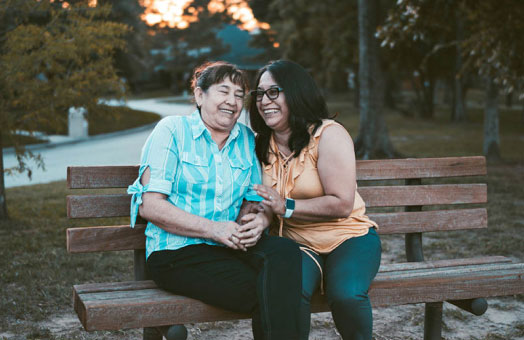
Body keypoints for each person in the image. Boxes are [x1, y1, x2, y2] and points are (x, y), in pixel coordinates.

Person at [127, 61, 302, 340]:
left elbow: (254, 199)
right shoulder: (172, 131)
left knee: (286, 252)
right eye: (223, 91)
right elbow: (150, 205)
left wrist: (258, 220)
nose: (232, 102)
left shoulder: (246, 139)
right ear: (199, 95)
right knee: (271, 291)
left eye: (238, 94)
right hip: (176, 253)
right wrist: (214, 229)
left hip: (227, 247)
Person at [249, 60, 382, 340]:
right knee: (283, 294)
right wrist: (257, 218)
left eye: (274, 92)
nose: (264, 101)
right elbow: (263, 202)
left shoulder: (328, 134)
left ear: (296, 92)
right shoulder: (259, 143)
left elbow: (342, 203)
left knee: (346, 294)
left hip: (348, 238)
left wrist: (286, 206)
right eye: (259, 94)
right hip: (296, 245)